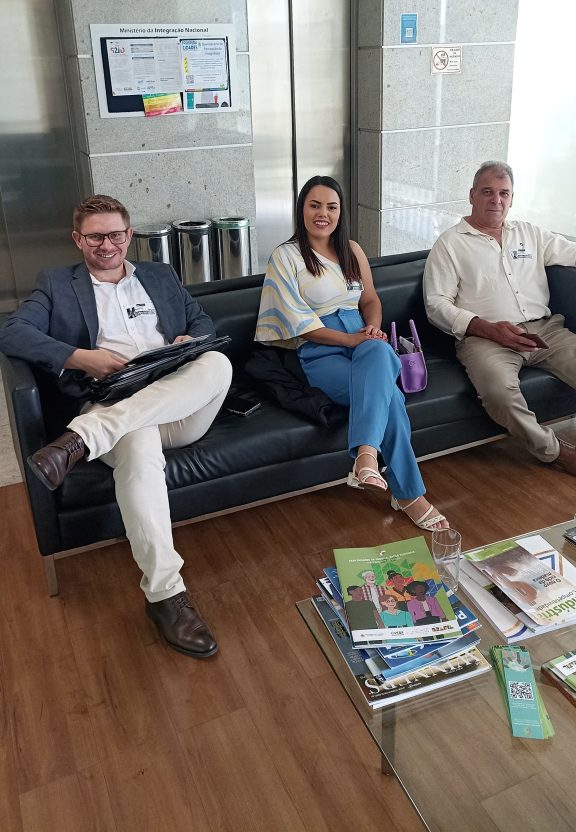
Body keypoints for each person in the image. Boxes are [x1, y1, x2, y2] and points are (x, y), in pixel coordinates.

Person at [0, 195, 232, 659]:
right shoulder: (56, 283)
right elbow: (10, 331)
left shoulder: (160, 275)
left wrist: (189, 340)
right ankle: (166, 597)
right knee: (139, 446)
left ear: (129, 235)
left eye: (115, 235)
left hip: (177, 403)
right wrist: (81, 357)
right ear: (77, 239)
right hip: (110, 400)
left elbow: (203, 321)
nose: (106, 245)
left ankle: (82, 438)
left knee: (218, 362)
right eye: (95, 237)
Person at [255, 175, 447, 531]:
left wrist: (372, 328)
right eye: (314, 205)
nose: (323, 214)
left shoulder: (352, 250)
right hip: (320, 349)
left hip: (362, 339)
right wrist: (350, 341)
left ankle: (366, 458)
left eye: (331, 207)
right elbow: (300, 324)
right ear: (301, 209)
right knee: (391, 396)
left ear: (341, 212)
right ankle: (406, 492)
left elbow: (370, 299)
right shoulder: (286, 256)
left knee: (380, 352)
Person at [423, 160, 576, 475]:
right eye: (487, 192)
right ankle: (555, 452)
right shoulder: (450, 244)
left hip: (545, 331)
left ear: (512, 198)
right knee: (498, 394)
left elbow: (571, 252)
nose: (496, 200)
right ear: (472, 195)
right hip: (485, 339)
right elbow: (435, 304)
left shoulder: (530, 233)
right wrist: (487, 329)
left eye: (504, 193)